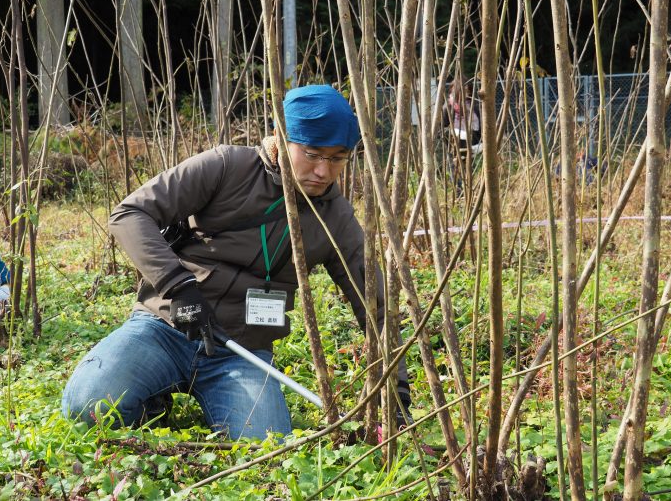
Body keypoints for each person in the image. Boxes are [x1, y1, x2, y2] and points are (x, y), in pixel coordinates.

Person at [62, 85, 411, 440]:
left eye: (337, 159)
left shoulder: (335, 218)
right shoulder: (227, 165)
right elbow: (130, 213)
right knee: (86, 406)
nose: (323, 171)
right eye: (312, 154)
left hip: (242, 352)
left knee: (265, 444)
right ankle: (154, 398)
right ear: (280, 137)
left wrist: (395, 396)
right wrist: (177, 286)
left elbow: (374, 303)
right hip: (165, 326)